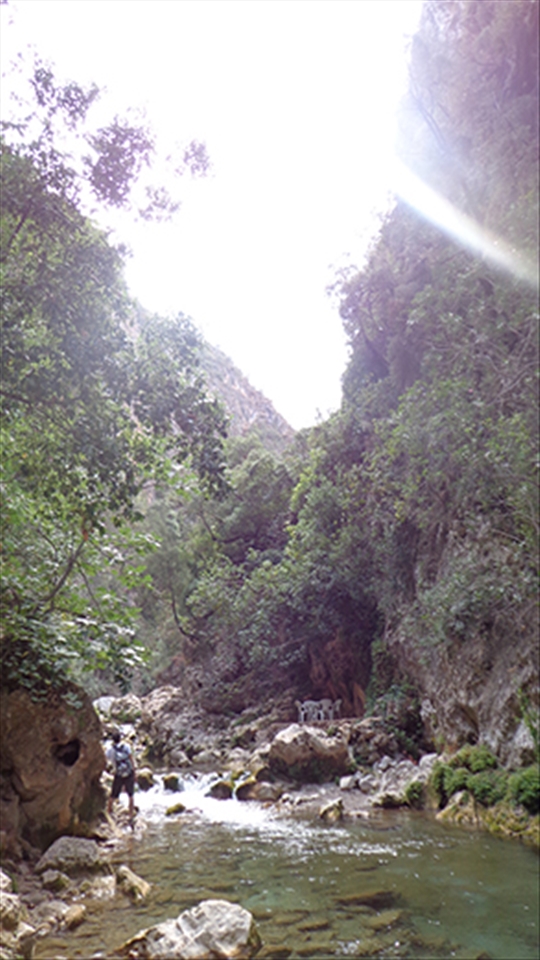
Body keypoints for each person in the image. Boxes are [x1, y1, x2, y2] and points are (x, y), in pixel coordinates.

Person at [106, 729, 136, 823]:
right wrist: (134, 772)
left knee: (113, 794)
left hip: (118, 774)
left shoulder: (110, 750)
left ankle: (109, 812)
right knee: (131, 794)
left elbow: (105, 759)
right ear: (120, 738)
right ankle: (130, 815)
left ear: (113, 740)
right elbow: (131, 759)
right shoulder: (126, 747)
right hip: (129, 773)